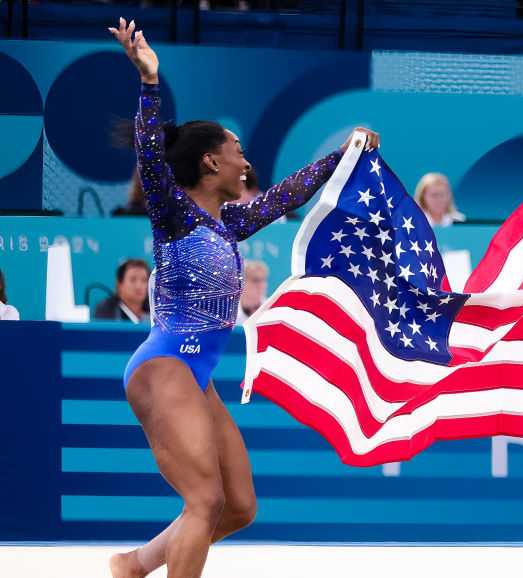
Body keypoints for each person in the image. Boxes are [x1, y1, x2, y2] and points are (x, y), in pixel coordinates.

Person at [106, 18, 379, 578]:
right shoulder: (174, 213)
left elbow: (282, 198)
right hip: (163, 367)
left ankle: (134, 565)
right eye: (237, 150)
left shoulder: (228, 223)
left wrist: (342, 156)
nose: (246, 160)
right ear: (210, 161)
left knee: (238, 507)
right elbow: (152, 157)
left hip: (194, 376)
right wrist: (149, 83)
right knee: (204, 500)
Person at [95, 259, 151, 323]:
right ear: (119, 284)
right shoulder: (106, 310)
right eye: (133, 280)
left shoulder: (154, 312)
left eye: (144, 280)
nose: (139, 286)